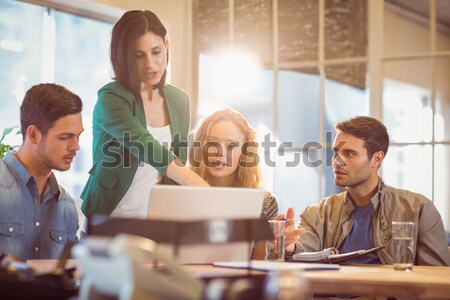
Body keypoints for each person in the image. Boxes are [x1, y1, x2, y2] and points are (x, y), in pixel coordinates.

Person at [80, 10, 208, 222]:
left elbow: (178, 160)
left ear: (166, 46)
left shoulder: (179, 100)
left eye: (156, 51)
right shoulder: (111, 98)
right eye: (139, 56)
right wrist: (202, 188)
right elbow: (146, 146)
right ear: (124, 57)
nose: (150, 64)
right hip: (107, 221)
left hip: (155, 223)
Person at [294, 116, 450, 266]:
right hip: (331, 294)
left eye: (349, 153)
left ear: (376, 159)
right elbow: (301, 252)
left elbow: (436, 280)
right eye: (336, 152)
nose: (337, 161)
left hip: (389, 294)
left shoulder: (418, 210)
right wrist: (289, 246)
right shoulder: (317, 214)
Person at [189, 109, 301, 259]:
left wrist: (282, 246)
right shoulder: (180, 192)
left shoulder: (264, 202)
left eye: (231, 145)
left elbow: (259, 266)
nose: (220, 153)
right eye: (212, 142)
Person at [0, 83, 83, 262]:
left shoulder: (66, 204)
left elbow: (69, 273)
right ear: (34, 135)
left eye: (78, 136)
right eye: (65, 137)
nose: (75, 146)